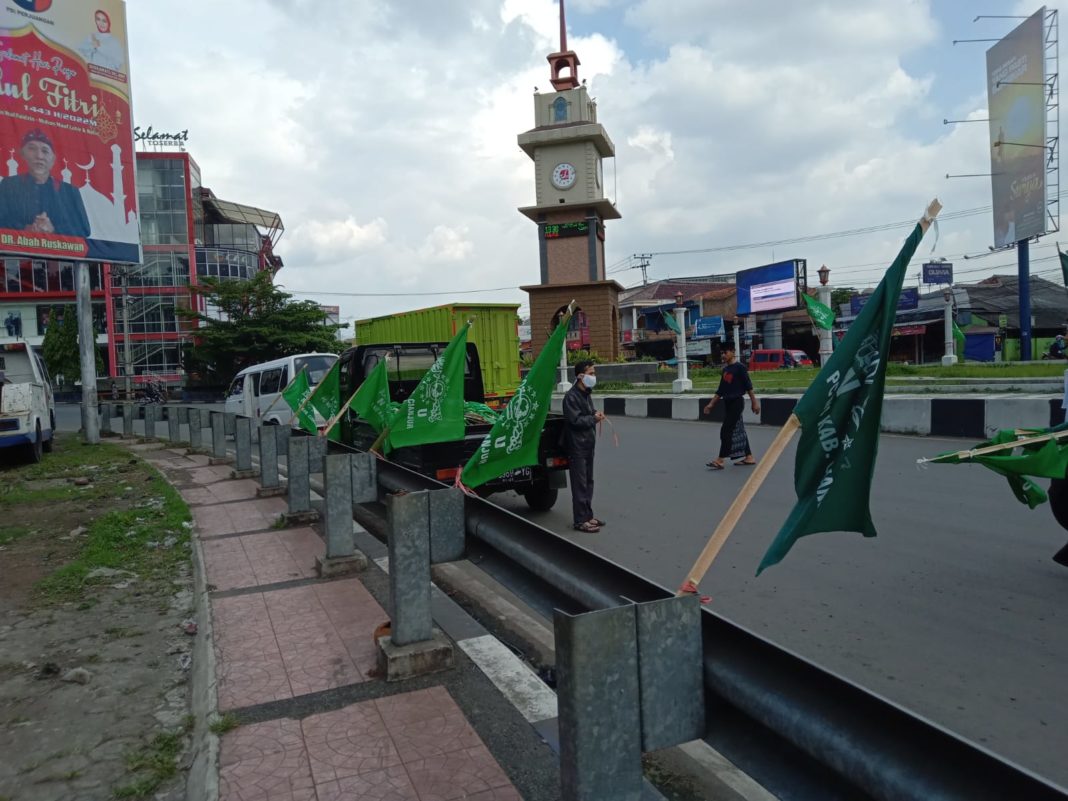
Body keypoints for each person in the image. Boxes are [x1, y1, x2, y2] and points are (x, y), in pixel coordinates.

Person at [0, 129, 91, 238]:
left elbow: (84, 230)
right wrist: (25, 229)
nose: (39, 156)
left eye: (45, 151)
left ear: (53, 159)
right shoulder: (9, 185)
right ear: (22, 154)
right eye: (32, 148)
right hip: (16, 252)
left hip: (59, 253)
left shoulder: (70, 191)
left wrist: (53, 229)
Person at [563, 359, 605, 533]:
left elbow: (587, 414)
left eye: (594, 373)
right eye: (591, 373)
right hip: (577, 446)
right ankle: (580, 521)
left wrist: (595, 414)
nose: (594, 377)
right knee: (580, 483)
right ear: (581, 376)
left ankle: (588, 516)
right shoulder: (570, 397)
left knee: (588, 481)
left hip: (588, 444)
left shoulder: (586, 393)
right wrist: (593, 419)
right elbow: (575, 420)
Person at [703, 344, 760, 469]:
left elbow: (748, 386)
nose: (723, 355)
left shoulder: (740, 368)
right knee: (738, 430)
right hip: (728, 403)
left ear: (733, 352)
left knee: (726, 431)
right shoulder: (725, 370)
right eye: (722, 353)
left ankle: (720, 460)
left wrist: (755, 403)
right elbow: (720, 391)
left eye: (725, 352)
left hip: (737, 403)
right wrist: (711, 405)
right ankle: (749, 457)